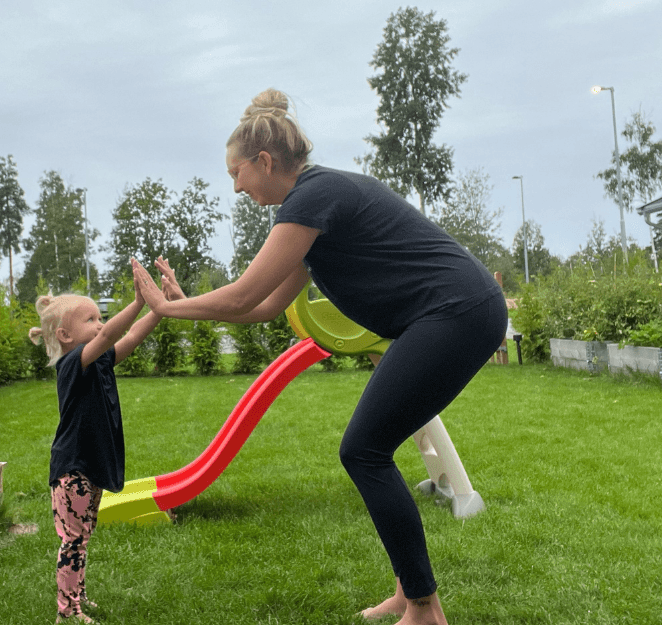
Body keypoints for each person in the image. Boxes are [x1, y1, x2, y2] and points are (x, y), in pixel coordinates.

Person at [131, 89, 506, 625]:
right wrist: (182, 302)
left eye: (237, 172)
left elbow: (240, 296)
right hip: (449, 313)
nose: (235, 186)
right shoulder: (312, 209)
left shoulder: (312, 195)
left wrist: (170, 309)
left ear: (265, 161)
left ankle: (426, 610)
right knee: (368, 450)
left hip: (457, 311)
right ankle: (409, 591)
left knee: (363, 450)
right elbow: (261, 308)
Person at [29, 259, 184, 624]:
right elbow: (109, 336)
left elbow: (128, 337)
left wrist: (159, 308)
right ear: (65, 335)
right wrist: (137, 303)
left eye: (100, 317)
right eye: (91, 319)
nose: (99, 325)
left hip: (90, 464)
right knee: (73, 541)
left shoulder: (97, 362)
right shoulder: (72, 364)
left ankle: (77, 596)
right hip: (73, 467)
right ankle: (67, 610)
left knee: (81, 538)